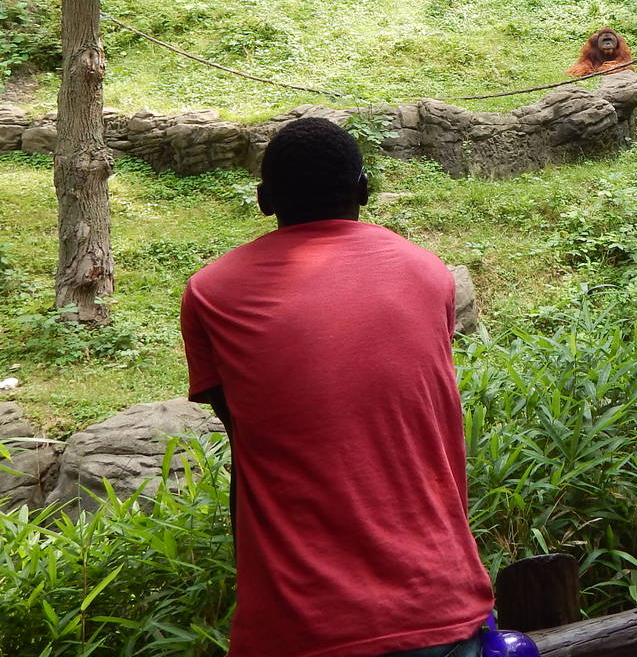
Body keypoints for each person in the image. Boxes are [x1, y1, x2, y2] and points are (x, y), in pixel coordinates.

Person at [180, 116, 493, 657]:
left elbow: (247, 442)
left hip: (302, 621)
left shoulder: (212, 294)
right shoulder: (429, 274)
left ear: (263, 200)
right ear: (363, 191)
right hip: (443, 604)